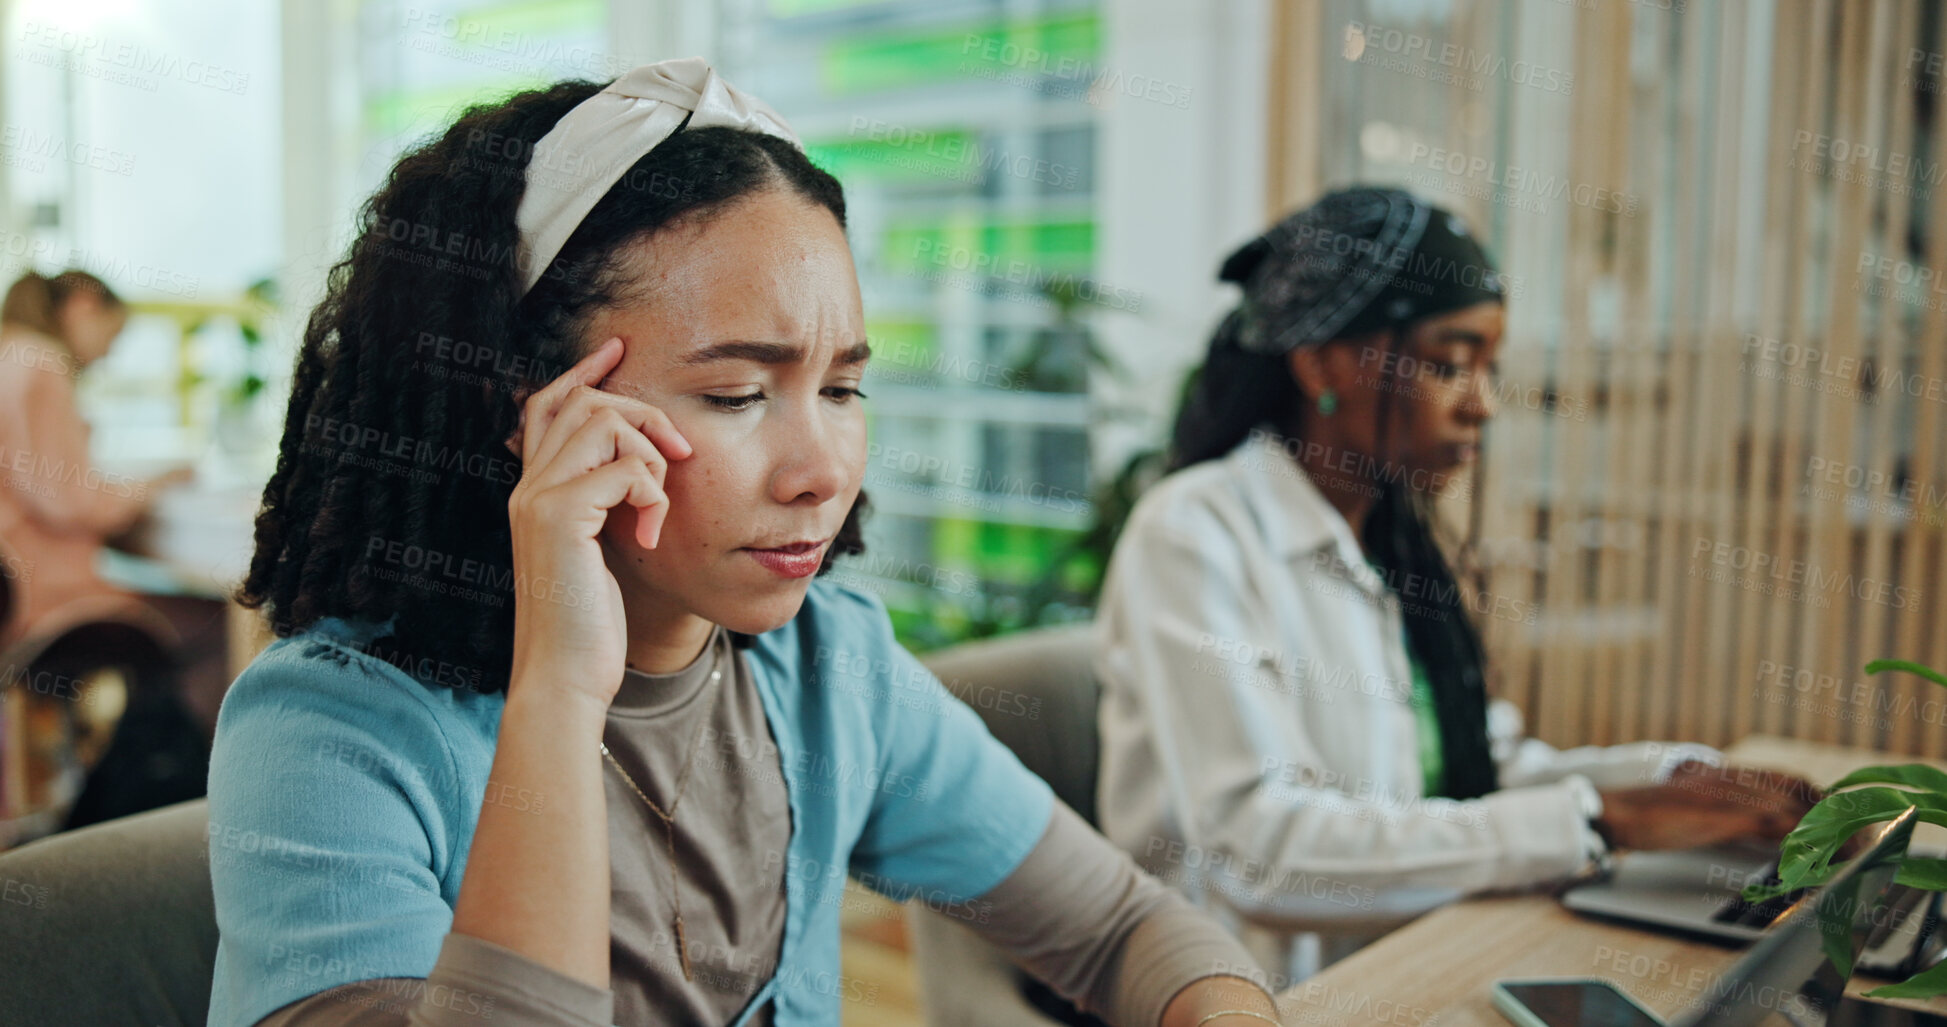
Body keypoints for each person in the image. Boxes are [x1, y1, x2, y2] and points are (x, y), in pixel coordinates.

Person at [207, 59, 1285, 1027]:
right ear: (530, 408)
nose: (820, 465)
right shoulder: (327, 732)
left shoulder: (829, 669)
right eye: (735, 393)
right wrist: (558, 690)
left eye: (844, 386)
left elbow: (1120, 930)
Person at [1092, 187, 1816, 988]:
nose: (1482, 404)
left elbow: (1469, 766)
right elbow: (1262, 853)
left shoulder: (1385, 534)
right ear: (1322, 361)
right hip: (1251, 992)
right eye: (1447, 363)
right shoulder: (1192, 533)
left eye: (1487, 367)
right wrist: (1595, 819)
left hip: (1405, 951)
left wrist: (1672, 780)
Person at [0, 270, 192, 644]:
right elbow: (71, 501)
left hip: (16, 589)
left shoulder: (10, 353)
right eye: (114, 334)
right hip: (43, 598)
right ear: (84, 306)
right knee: (211, 624)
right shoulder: (41, 363)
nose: (108, 353)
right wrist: (153, 487)